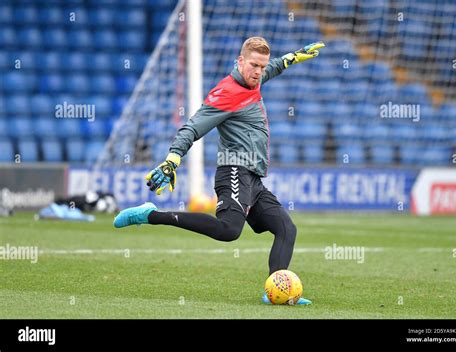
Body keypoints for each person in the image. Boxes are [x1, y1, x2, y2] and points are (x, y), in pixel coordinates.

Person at [114, 37, 325, 305]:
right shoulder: (225, 93)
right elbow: (192, 127)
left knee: (286, 228)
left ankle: (277, 291)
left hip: (253, 178)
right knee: (228, 230)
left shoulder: (255, 79)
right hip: (234, 169)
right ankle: (150, 215)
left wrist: (293, 57)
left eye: (261, 66)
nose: (259, 71)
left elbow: (272, 67)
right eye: (253, 65)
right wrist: (172, 160)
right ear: (240, 62)